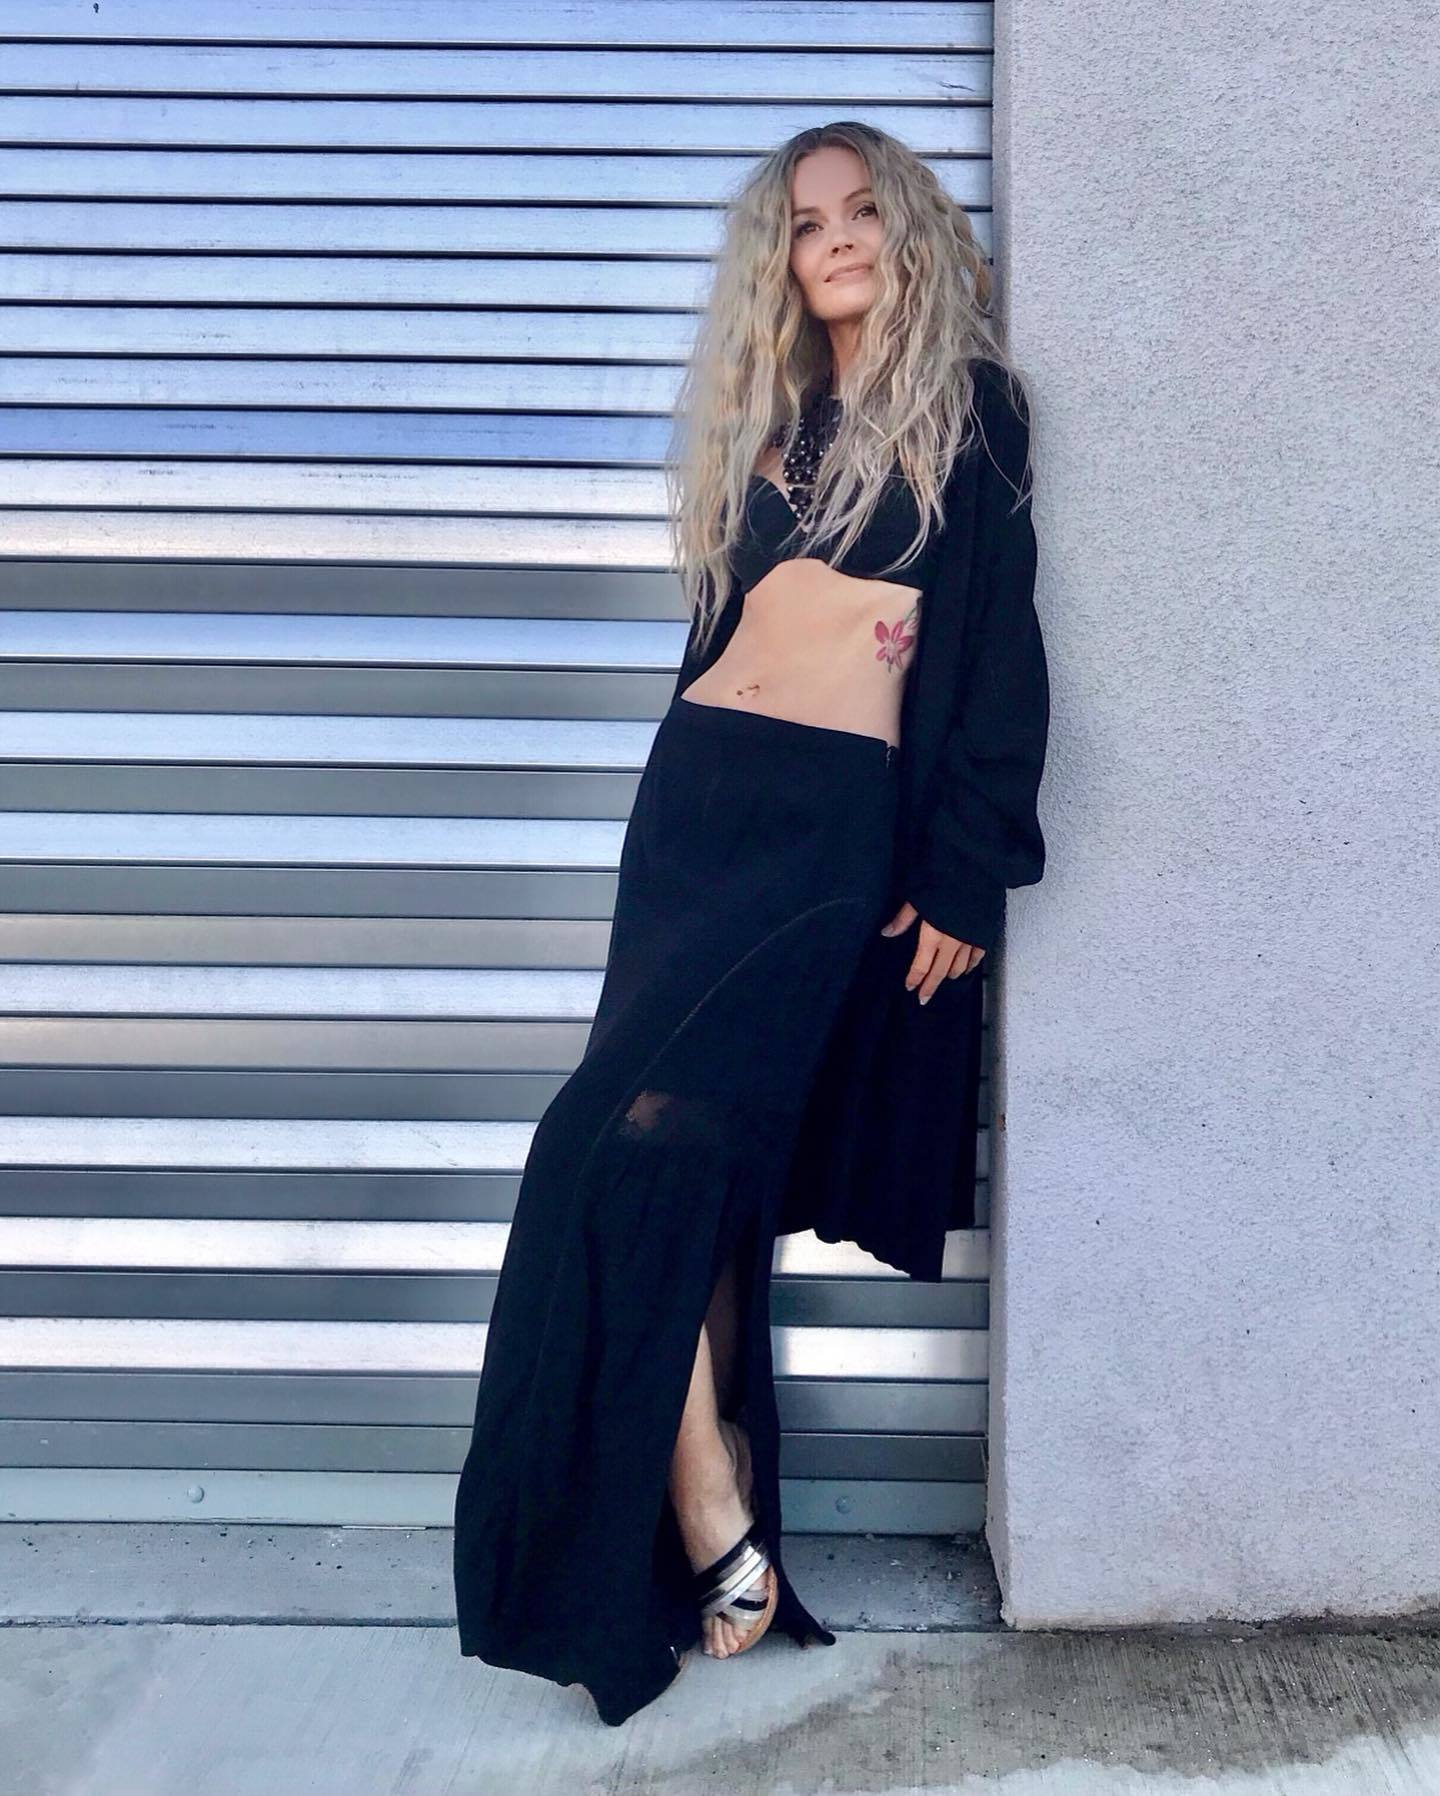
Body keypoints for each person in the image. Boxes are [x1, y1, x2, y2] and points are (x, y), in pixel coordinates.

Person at [453, 119, 1050, 1728]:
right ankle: (704, 1504)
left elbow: (1000, 652)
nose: (835, 237)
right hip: (695, 813)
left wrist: (967, 866)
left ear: (906, 231)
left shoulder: (971, 410)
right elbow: (724, 637)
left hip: (824, 835)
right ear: (776, 261)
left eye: (862, 211)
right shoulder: (777, 423)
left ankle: (707, 1493)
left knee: (638, 1150)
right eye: (804, 222)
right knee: (650, 1156)